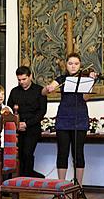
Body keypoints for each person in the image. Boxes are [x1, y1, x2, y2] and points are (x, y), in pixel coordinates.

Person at [42, 53, 98, 183]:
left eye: (76, 64)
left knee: (78, 153)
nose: (73, 66)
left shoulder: (84, 78)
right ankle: (61, 184)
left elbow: (85, 98)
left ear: (80, 65)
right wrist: (48, 88)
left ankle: (79, 186)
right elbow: (44, 92)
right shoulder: (62, 78)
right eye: (70, 63)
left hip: (80, 118)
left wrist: (90, 82)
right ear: (66, 65)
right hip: (63, 118)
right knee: (62, 152)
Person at [7, 66, 47, 178]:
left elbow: (42, 112)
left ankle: (27, 178)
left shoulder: (40, 90)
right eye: (19, 80)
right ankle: (18, 177)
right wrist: (17, 124)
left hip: (32, 128)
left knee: (27, 153)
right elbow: (9, 110)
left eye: (24, 79)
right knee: (17, 154)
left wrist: (27, 124)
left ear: (30, 76)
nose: (21, 82)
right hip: (17, 128)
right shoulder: (14, 91)